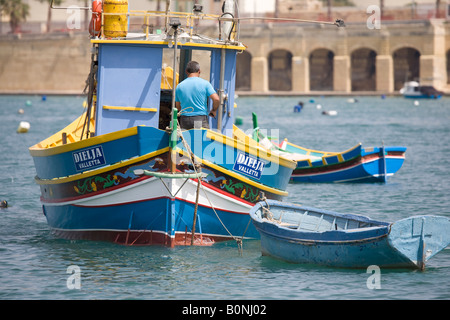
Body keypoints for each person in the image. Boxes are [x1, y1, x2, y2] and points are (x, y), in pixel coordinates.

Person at [175, 61, 220, 129]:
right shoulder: (205, 84)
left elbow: (178, 107)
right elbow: (216, 99)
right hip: (199, 119)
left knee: (185, 139)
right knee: (198, 139)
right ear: (199, 71)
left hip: (185, 120)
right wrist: (214, 110)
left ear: (186, 71)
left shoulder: (179, 86)